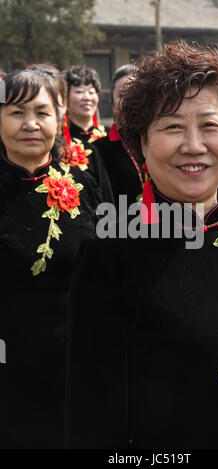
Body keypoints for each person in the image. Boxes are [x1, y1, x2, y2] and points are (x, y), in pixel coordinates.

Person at [67, 41, 218, 449]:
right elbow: (92, 417)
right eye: (172, 127)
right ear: (141, 144)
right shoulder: (110, 252)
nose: (194, 145)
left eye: (210, 126)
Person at [0, 68, 103, 448]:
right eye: (15, 112)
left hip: (78, 371)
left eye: (41, 113)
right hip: (10, 375)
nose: (30, 124)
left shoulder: (82, 186)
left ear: (58, 118)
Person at [64, 65, 114, 204]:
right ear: (65, 99)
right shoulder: (60, 142)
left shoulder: (111, 136)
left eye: (91, 92)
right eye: (79, 92)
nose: (87, 97)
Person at [97, 64, 144, 208]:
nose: (129, 99)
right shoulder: (99, 151)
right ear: (112, 104)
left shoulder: (162, 141)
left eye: (135, 92)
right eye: (122, 95)